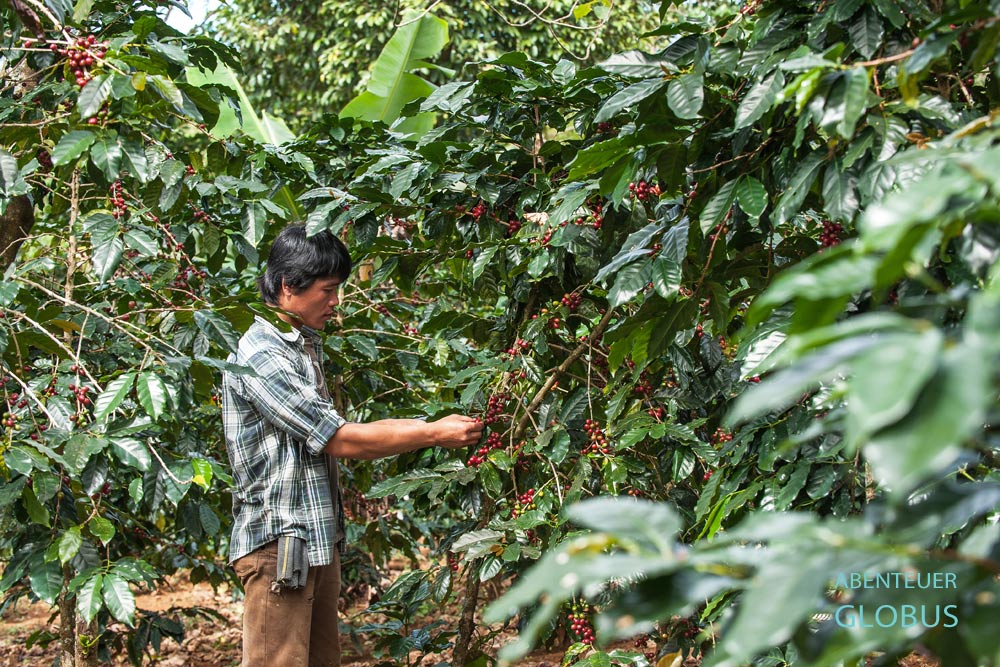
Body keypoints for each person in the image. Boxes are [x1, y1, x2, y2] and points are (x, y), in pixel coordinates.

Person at [220, 223, 484, 667]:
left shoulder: (298, 347)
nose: (335, 302)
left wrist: (431, 425)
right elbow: (342, 439)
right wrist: (435, 432)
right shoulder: (262, 356)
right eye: (327, 290)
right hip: (278, 548)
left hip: (313, 544)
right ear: (288, 286)